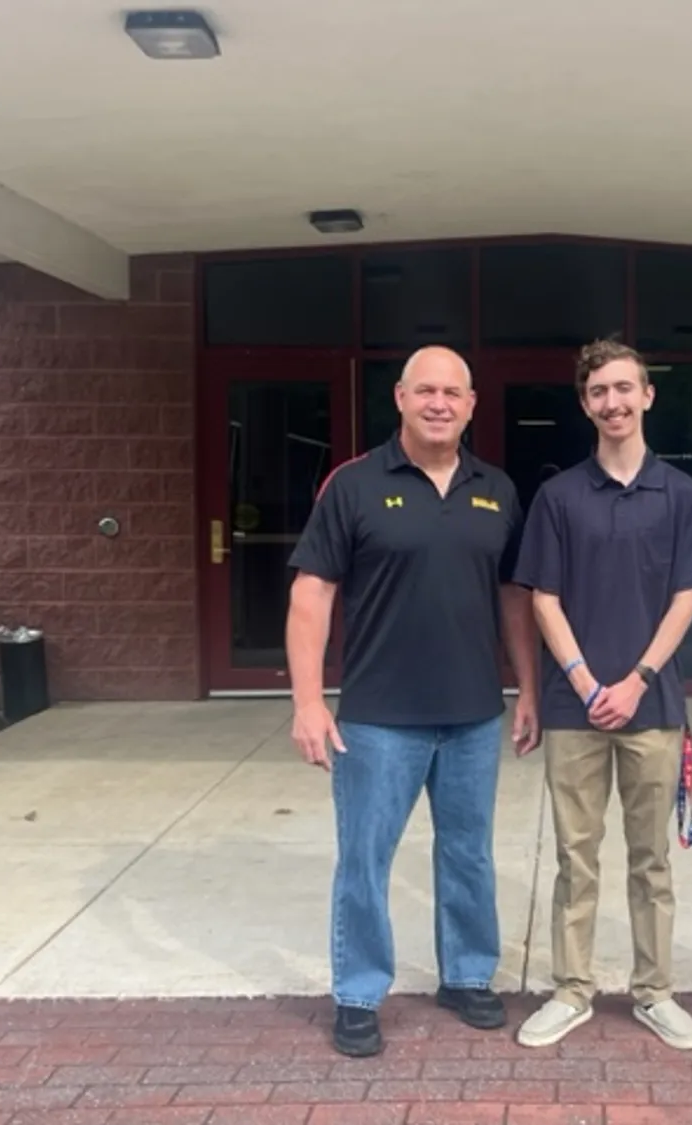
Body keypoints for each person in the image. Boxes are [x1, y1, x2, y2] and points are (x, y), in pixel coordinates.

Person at [285, 345, 541, 1058]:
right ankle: (359, 992)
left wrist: (528, 688)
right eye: (425, 390)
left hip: (473, 714)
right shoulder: (355, 484)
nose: (438, 403)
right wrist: (309, 701)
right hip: (376, 718)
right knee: (364, 858)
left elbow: (514, 596)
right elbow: (311, 595)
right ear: (399, 397)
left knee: (469, 854)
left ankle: (466, 974)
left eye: (452, 392)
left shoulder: (497, 487)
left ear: (471, 403)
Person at [510, 339, 692, 1051]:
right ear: (585, 403)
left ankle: (654, 990)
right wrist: (582, 680)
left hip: (652, 707)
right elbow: (543, 597)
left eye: (624, 388)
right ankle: (572, 989)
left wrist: (634, 681)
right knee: (577, 856)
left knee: (649, 858)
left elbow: (687, 597)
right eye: (599, 391)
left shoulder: (681, 494)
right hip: (576, 708)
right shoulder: (559, 495)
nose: (614, 402)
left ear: (648, 395)